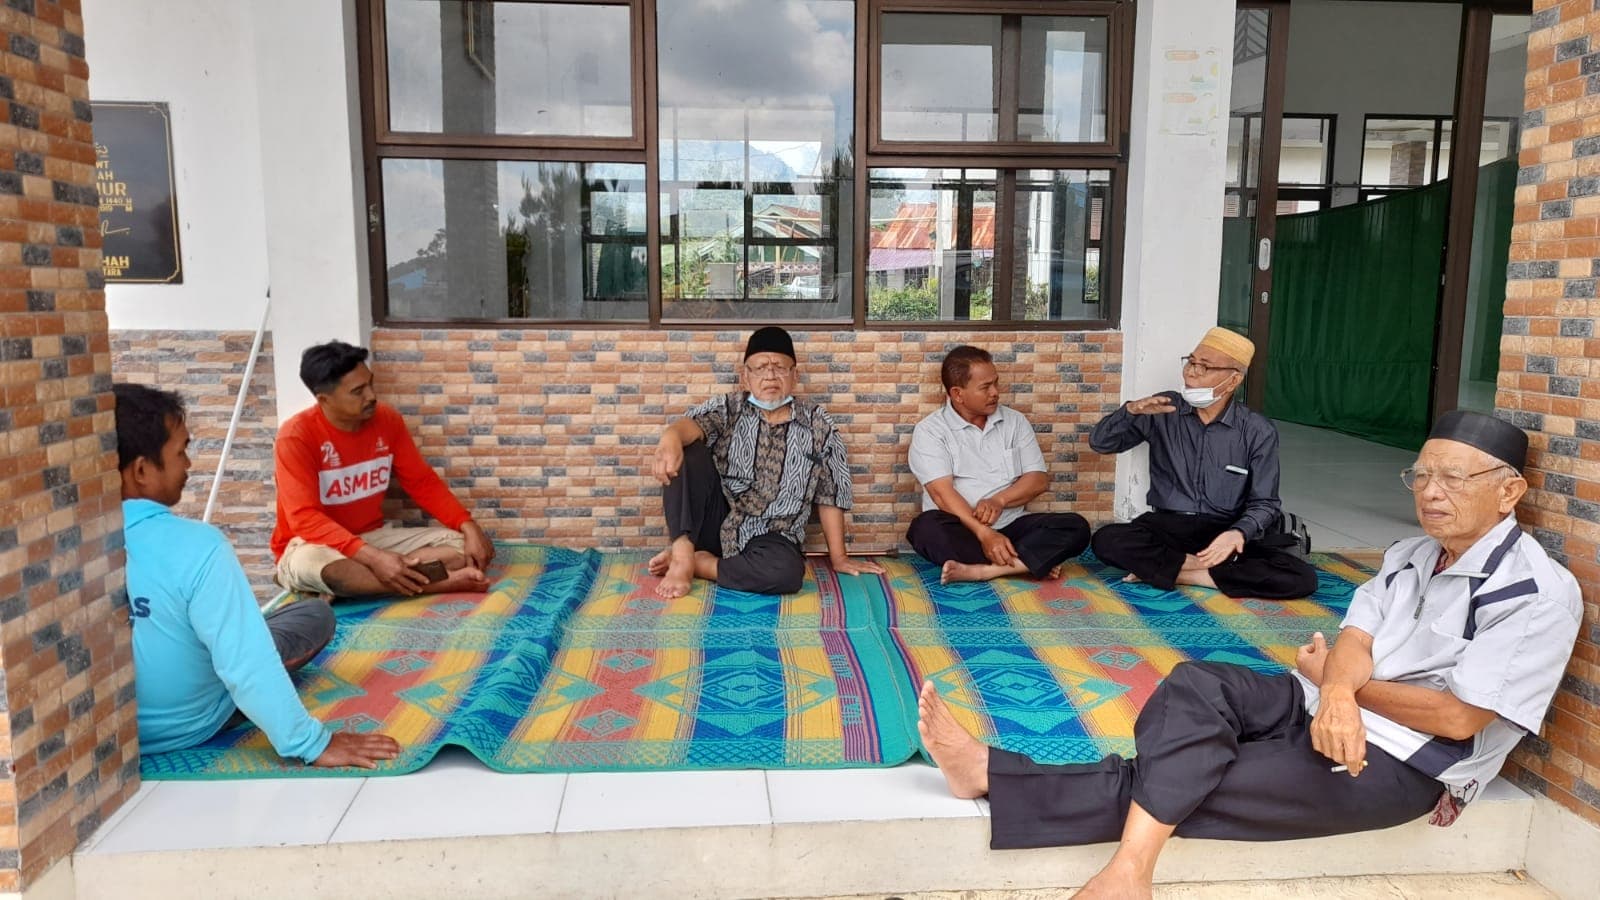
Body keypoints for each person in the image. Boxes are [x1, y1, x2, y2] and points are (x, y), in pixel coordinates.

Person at [917, 410, 1581, 899]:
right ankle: (1120, 859)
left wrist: (1347, 693)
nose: (1430, 493)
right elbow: (1355, 640)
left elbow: (1461, 719)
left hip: (1400, 762)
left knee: (1205, 778)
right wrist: (1338, 691)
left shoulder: (1536, 592)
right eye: (1423, 475)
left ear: (1509, 492)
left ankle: (1097, 848)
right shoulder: (1411, 555)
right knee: (1195, 683)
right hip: (1323, 700)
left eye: (1453, 480)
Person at [116, 383, 400, 768]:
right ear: (141, 471)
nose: (189, 465)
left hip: (112, 736)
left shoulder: (54, 548)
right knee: (312, 616)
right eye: (181, 452)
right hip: (191, 724)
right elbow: (244, 663)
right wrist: (311, 742)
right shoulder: (198, 546)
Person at [649, 326, 885, 597]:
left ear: (795, 375)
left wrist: (839, 558)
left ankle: (703, 564)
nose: (770, 375)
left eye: (779, 367)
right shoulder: (729, 408)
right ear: (745, 377)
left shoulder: (819, 425)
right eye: (760, 368)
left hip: (774, 535)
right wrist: (671, 437)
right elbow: (690, 426)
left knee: (785, 573)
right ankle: (681, 554)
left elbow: (830, 493)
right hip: (718, 522)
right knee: (688, 449)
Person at [1088, 327, 1318, 600]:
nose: (1191, 372)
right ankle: (1207, 573)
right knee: (1106, 541)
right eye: (1191, 362)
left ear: (1232, 381)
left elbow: (1265, 502)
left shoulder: (1257, 430)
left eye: (1204, 367)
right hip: (1168, 526)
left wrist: (1237, 533)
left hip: (1224, 528)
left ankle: (1174, 571)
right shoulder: (1164, 408)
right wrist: (1129, 412)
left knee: (1301, 578)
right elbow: (1100, 444)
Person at [271, 340, 494, 599]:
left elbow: (421, 482)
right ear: (324, 399)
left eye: (370, 384)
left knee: (460, 547)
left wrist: (468, 525)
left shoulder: (387, 420)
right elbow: (304, 518)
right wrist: (374, 558)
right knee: (319, 566)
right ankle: (437, 584)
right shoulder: (296, 437)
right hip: (311, 545)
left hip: (371, 538)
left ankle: (358, 584)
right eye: (358, 391)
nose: (372, 396)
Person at [906, 345, 1091, 584]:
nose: (995, 393)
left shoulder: (1014, 422)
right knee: (925, 529)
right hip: (964, 529)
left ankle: (987, 571)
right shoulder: (931, 431)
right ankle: (1028, 564)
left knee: (1076, 527)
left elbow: (1038, 479)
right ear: (957, 393)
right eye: (985, 387)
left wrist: (999, 500)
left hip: (1012, 526)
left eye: (995, 383)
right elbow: (942, 495)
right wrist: (985, 534)